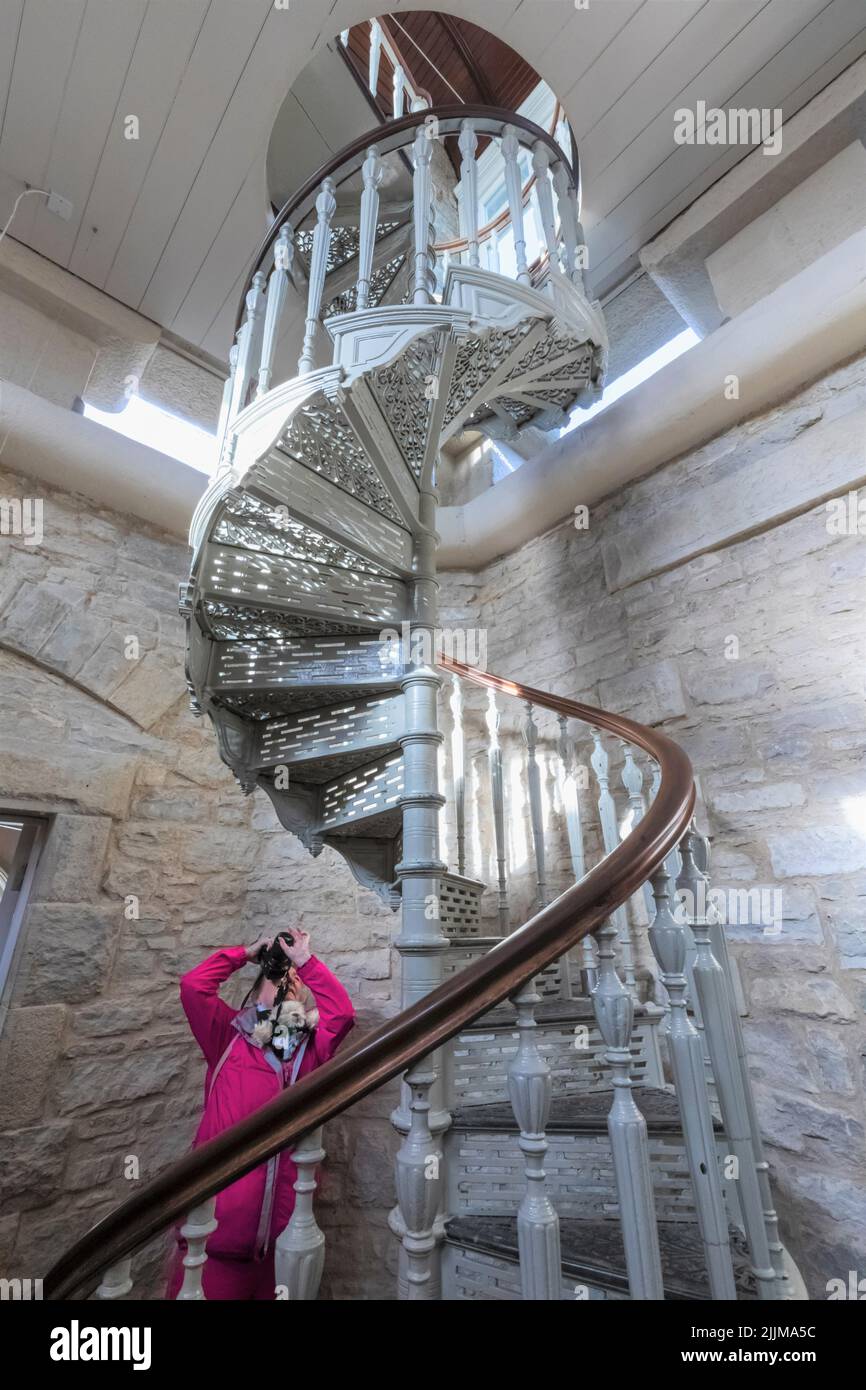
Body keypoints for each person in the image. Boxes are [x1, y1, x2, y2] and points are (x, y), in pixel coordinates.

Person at [165, 929, 355, 1300]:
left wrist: (305, 962)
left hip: (281, 1243)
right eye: (276, 979)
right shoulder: (227, 1036)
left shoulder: (308, 1049)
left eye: (294, 982)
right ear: (255, 994)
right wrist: (246, 953)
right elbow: (193, 987)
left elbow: (342, 1015)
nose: (286, 984)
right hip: (214, 1239)